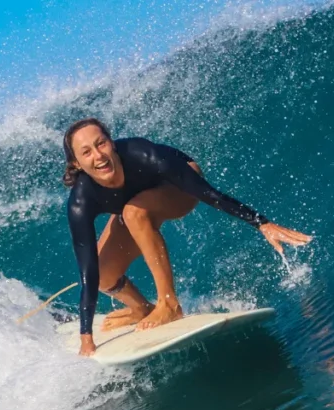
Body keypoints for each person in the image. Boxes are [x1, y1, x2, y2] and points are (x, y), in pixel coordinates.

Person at [63, 118, 312, 356]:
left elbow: (207, 193)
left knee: (133, 212)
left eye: (101, 143)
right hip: (136, 204)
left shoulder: (142, 154)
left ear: (112, 142)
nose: (98, 155)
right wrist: (87, 338)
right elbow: (89, 270)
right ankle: (141, 308)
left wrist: (261, 223)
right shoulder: (80, 201)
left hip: (179, 187)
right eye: (86, 152)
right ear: (76, 164)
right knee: (104, 274)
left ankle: (169, 304)